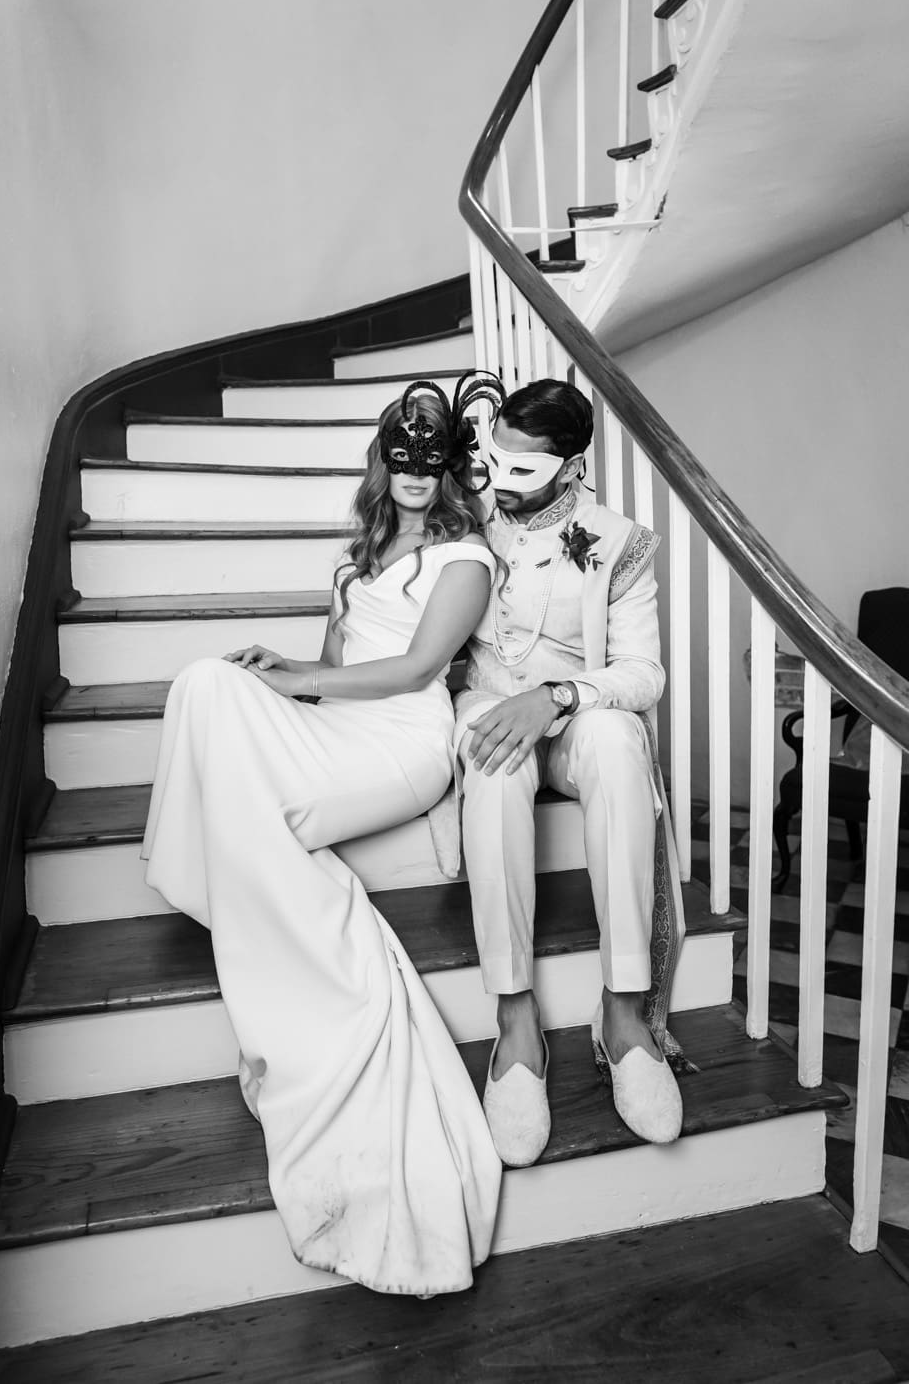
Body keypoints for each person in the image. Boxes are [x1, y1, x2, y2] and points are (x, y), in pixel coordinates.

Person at [141, 376, 506, 1298]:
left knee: (241, 760)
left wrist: (302, 678)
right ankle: (231, 889)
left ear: (451, 466)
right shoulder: (356, 562)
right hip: (343, 725)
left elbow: (418, 668)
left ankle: (293, 994)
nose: (417, 472)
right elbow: (328, 672)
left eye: (434, 456)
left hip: (406, 740)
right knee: (207, 684)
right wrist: (283, 674)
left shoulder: (463, 559)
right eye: (402, 453)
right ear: (383, 462)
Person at [453, 378, 686, 1167]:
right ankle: (515, 1022)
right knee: (489, 760)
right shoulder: (464, 516)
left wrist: (555, 698)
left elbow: (643, 672)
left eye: (525, 469)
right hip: (486, 705)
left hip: (571, 717)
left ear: (571, 464)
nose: (503, 483)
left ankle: (624, 1013)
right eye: (497, 461)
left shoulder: (620, 540)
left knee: (622, 739)